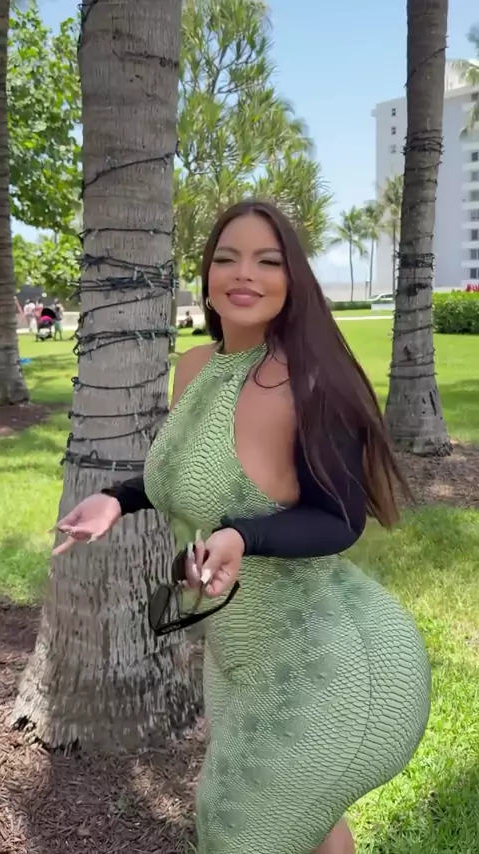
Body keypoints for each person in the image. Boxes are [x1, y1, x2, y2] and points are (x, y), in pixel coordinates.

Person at [53, 200, 431, 854]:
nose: (243, 274)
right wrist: (117, 500)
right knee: (309, 825)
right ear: (206, 278)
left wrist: (241, 537)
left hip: (327, 664)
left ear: (293, 280)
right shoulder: (197, 367)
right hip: (239, 661)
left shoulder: (308, 381)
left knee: (235, 829)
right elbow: (188, 470)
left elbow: (340, 519)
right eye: (226, 258)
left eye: (267, 260)